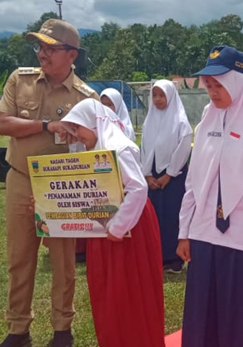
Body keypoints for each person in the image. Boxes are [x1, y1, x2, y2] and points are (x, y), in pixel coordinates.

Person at [0, 18, 99, 347]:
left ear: (72, 55)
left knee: (63, 262)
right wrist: (47, 126)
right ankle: (18, 329)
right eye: (39, 46)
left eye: (50, 48)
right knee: (19, 257)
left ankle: (62, 329)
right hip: (21, 179)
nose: (42, 53)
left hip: (61, 187)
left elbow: (94, 145)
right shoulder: (20, 80)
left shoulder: (86, 97)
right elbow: (3, 125)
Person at [177, 45, 243, 347]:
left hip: (242, 241)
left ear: (237, 80)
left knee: (241, 324)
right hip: (204, 235)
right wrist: (185, 231)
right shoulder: (206, 122)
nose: (212, 90)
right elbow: (193, 183)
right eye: (208, 84)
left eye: (218, 83)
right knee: (202, 320)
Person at [61, 99, 165, 347]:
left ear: (93, 123)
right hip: (110, 227)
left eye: (78, 128)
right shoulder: (96, 149)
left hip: (129, 226)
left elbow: (138, 189)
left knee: (128, 292)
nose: (77, 135)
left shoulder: (118, 147)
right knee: (107, 292)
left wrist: (118, 227)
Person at [141, 79, 192, 274]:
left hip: (174, 176)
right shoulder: (149, 121)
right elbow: (145, 148)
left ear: (170, 96)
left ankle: (175, 259)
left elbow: (183, 147)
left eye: (162, 95)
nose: (158, 99)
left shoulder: (180, 121)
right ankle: (157, 256)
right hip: (152, 176)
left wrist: (169, 175)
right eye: (154, 95)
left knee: (173, 216)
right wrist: (146, 174)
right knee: (155, 217)